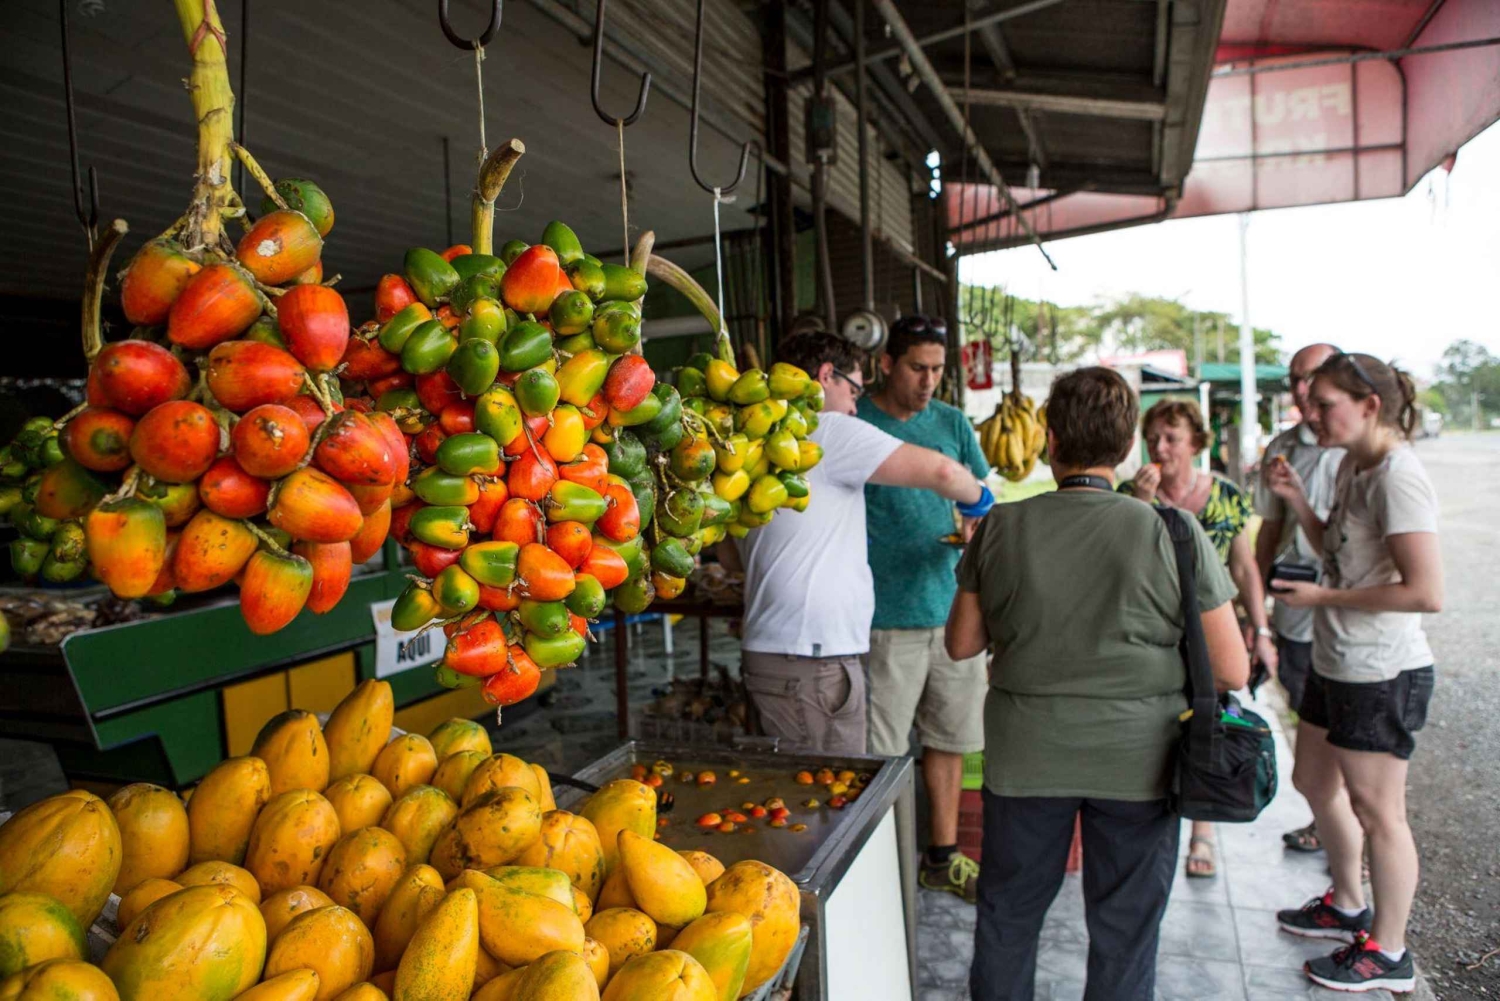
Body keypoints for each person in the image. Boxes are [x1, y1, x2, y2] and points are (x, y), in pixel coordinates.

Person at [949, 367, 1249, 1001]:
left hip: (1027, 757)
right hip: (1139, 761)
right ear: (1125, 449)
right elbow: (1232, 669)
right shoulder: (1171, 530)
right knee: (1124, 931)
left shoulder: (1001, 526)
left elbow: (961, 644)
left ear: (1050, 441)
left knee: (1009, 917)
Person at [723, 329, 993, 754]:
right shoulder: (827, 430)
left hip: (781, 649)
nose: (855, 405)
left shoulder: (757, 437)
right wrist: (981, 502)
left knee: (805, 792)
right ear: (826, 376)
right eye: (854, 390)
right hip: (810, 656)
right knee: (829, 801)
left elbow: (730, 555)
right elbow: (943, 473)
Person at [1267, 353, 1440, 993]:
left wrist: (1321, 602)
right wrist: (1295, 502)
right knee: (1312, 779)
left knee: (1379, 812)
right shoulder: (1348, 465)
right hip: (1337, 660)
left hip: (1382, 669)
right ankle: (1346, 903)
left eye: (1325, 404)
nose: (1310, 415)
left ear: (1370, 405)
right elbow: (1337, 553)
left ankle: (1390, 952)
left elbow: (1426, 591)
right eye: (1309, 403)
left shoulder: (1398, 475)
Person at [857, 314, 993, 904]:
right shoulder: (857, 421)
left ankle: (941, 857)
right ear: (887, 363)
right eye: (918, 368)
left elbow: (983, 498)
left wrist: (974, 525)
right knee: (882, 751)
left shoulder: (952, 423)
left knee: (950, 740)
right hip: (884, 615)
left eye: (938, 369)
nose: (929, 381)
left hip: (950, 610)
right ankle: (875, 861)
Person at [1122, 397, 1276, 879]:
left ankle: (1202, 828)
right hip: (1152, 630)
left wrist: (1260, 628)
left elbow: (1244, 565)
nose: (1160, 447)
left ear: (1195, 443)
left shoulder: (1226, 494)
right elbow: (1119, 562)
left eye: (1171, 438)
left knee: (1207, 719)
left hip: (1213, 629)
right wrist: (1140, 504)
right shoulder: (1130, 493)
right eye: (1153, 438)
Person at [1253, 343, 1346, 854]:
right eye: (1294, 378)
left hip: (1347, 614)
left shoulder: (1358, 451)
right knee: (1306, 719)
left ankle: (1347, 838)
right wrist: (1258, 609)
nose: (1301, 389)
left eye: (1311, 378)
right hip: (1293, 611)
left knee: (1347, 734)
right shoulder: (1283, 447)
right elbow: (1268, 532)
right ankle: (1326, 823)